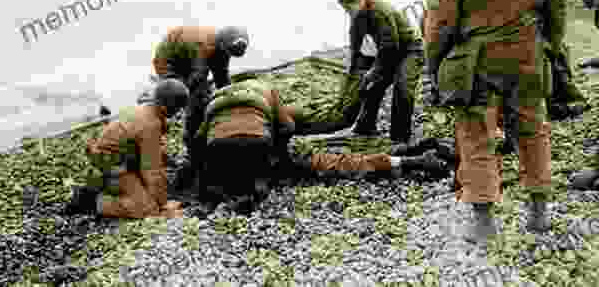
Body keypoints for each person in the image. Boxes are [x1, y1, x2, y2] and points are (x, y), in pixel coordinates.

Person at [424, 0, 561, 242]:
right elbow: (556, 1)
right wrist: (552, 45)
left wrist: (433, 60)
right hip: (529, 51)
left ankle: (483, 221)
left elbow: (442, 14)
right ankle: (538, 214)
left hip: (478, 58)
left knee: (476, 133)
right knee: (534, 129)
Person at [192, 78, 449, 214]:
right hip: (261, 147)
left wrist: (201, 172)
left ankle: (412, 157)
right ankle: (410, 158)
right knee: (333, 162)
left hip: (221, 149)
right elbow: (288, 128)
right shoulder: (265, 91)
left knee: (224, 176)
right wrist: (280, 154)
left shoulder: (217, 99)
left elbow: (198, 142)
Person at [64, 79, 190, 219]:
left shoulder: (144, 109)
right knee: (148, 209)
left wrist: (170, 162)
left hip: (117, 162)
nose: (178, 113)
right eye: (178, 108)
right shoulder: (150, 124)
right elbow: (152, 172)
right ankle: (89, 201)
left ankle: (109, 189)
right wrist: (165, 204)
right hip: (112, 169)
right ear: (167, 107)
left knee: (157, 187)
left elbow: (147, 149)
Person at [148, 25, 250, 190]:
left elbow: (222, 78)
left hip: (191, 57)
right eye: (229, 52)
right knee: (192, 100)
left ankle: (203, 139)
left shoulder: (224, 46)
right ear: (223, 45)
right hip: (170, 61)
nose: (228, 55)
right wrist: (199, 106)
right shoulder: (202, 45)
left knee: (206, 97)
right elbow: (197, 79)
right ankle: (193, 149)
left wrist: (230, 102)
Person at [337, 0, 425, 143]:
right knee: (371, 87)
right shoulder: (357, 15)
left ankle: (399, 138)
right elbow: (355, 46)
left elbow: (389, 46)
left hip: (410, 50)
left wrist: (373, 71)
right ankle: (365, 127)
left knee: (403, 88)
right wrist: (352, 76)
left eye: (350, 8)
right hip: (390, 51)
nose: (349, 13)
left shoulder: (379, 11)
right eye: (346, 10)